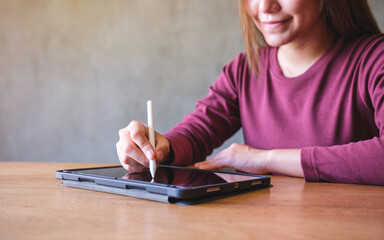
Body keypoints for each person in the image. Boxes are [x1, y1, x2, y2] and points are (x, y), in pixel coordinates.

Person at [116, 0, 384, 185]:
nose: (266, 6)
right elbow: (196, 134)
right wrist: (160, 149)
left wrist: (266, 159)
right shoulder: (244, 69)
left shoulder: (374, 58)